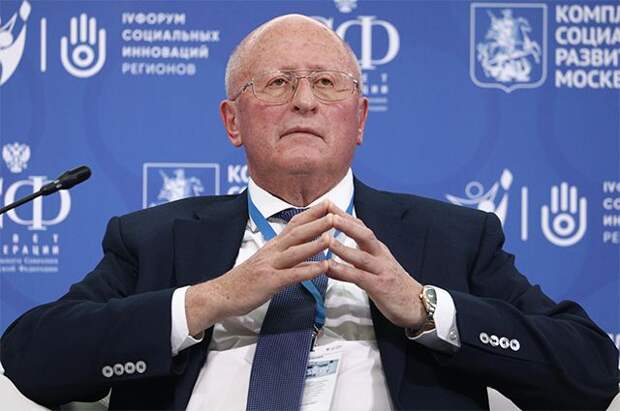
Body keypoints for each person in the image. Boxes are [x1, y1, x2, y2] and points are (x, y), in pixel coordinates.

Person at [1, 14, 618, 411]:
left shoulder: (453, 238)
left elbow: (592, 371)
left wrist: (427, 308)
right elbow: (33, 358)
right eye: (275, 84)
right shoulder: (156, 240)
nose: (303, 101)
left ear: (360, 118)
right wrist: (208, 300)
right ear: (232, 121)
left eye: (327, 83)